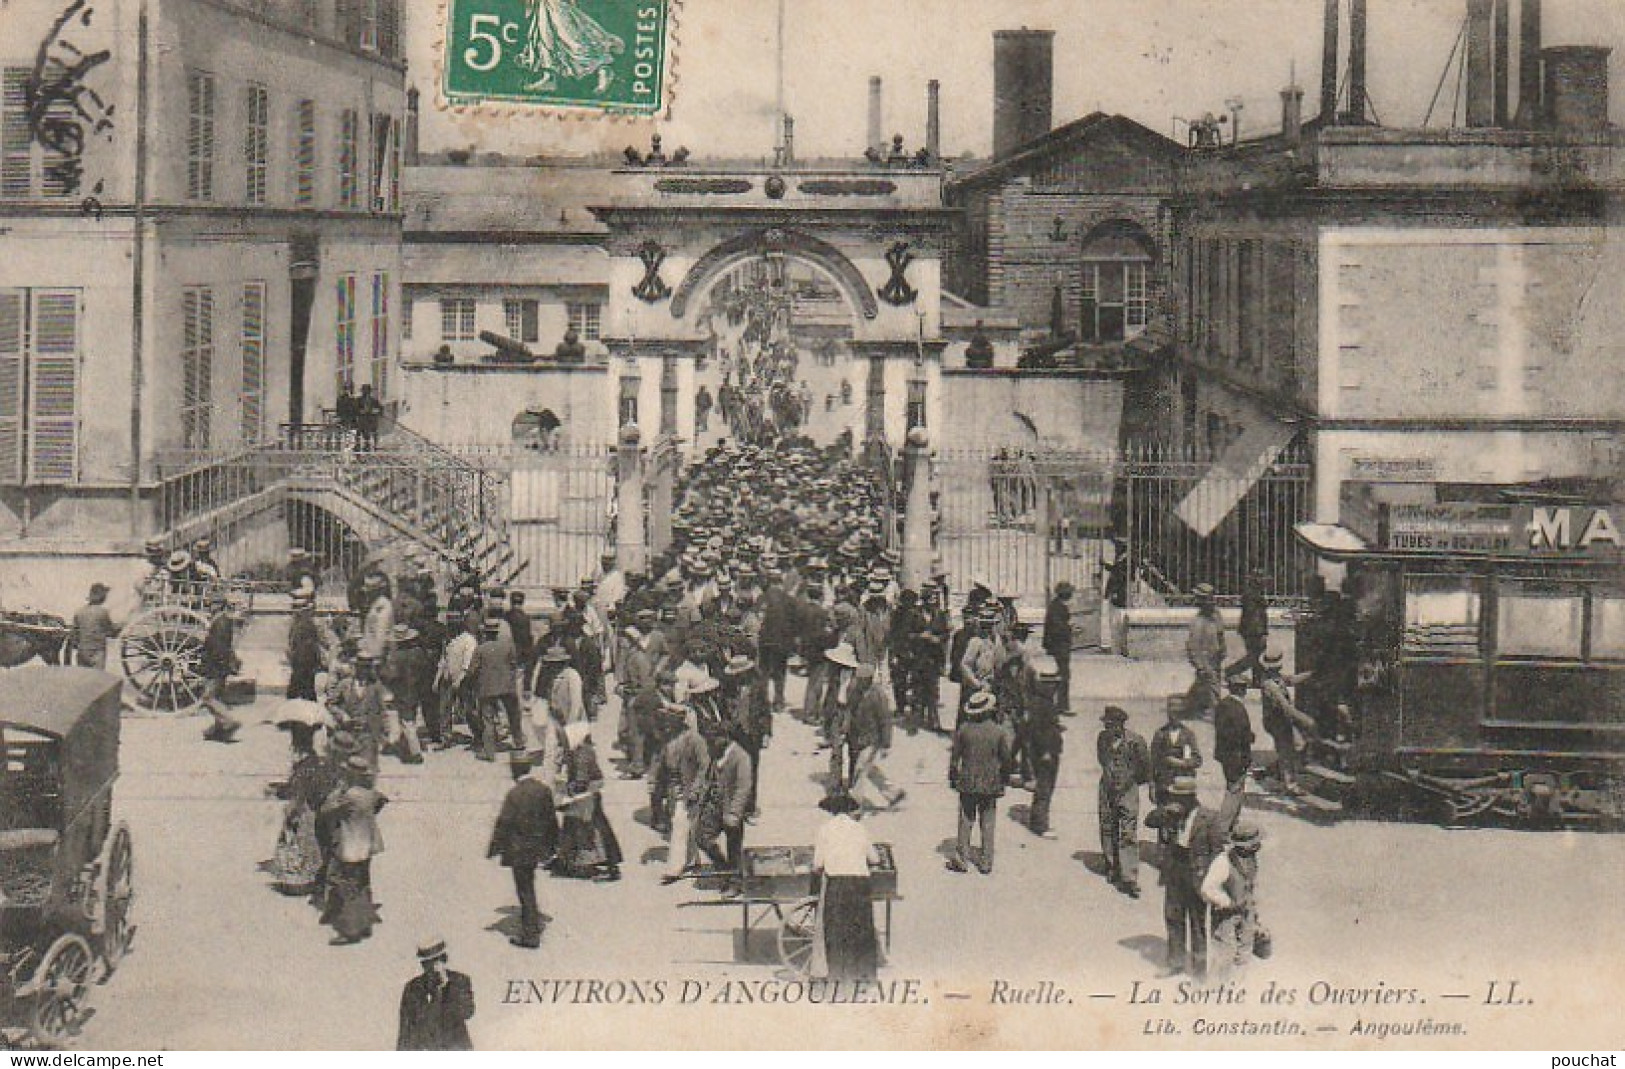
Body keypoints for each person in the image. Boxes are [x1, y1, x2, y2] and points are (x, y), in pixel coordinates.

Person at [487, 754, 559, 948]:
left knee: (525, 890)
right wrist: (553, 847)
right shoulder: (543, 790)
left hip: (519, 851)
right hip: (537, 849)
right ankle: (532, 922)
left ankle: (530, 934)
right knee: (529, 887)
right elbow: (551, 819)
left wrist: (494, 848)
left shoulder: (514, 794)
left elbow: (504, 822)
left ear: (514, 770)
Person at [811, 791, 880, 980]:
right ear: (850, 810)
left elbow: (818, 864)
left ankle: (838, 977)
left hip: (837, 885)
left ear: (831, 811)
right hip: (859, 884)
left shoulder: (824, 830)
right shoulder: (859, 829)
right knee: (861, 931)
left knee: (836, 932)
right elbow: (875, 858)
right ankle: (864, 977)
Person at [318, 755, 387, 946]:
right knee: (362, 883)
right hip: (367, 846)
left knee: (344, 885)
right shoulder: (370, 793)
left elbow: (325, 810)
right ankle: (364, 923)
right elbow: (382, 801)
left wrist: (337, 791)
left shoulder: (348, 796)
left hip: (350, 847)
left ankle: (350, 929)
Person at [946, 690, 1010, 875]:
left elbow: (954, 758)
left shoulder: (964, 730)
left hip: (967, 781)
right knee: (988, 821)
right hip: (990, 782)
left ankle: (962, 858)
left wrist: (952, 777)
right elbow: (1006, 759)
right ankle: (986, 861)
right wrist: (1004, 778)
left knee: (966, 820)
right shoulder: (998, 732)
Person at [554, 721, 623, 881]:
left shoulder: (582, 753)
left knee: (586, 828)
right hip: (590, 793)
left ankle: (586, 862)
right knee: (594, 825)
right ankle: (603, 862)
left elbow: (581, 780)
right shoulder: (580, 750)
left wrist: (566, 792)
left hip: (586, 795)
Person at [270, 722, 333, 898]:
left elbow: (297, 793)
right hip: (311, 809)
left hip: (302, 811)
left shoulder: (303, 768)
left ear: (298, 749)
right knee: (308, 846)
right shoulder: (314, 763)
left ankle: (299, 881)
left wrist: (286, 801)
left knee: (297, 846)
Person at [1097, 704, 1150, 897]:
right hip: (1106, 788)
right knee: (1107, 826)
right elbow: (1102, 760)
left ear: (1120, 725)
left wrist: (1130, 782)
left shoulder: (1136, 741)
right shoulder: (1102, 739)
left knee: (1128, 831)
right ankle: (1112, 865)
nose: (1107, 729)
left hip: (1128, 790)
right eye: (1106, 725)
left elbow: (1145, 767)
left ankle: (1129, 877)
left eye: (1111, 725)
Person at [1202, 821, 1263, 980]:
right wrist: (1226, 902)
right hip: (1226, 916)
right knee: (1224, 954)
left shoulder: (1251, 859)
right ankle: (1214, 991)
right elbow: (1208, 888)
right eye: (1253, 844)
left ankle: (1235, 989)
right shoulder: (1223, 862)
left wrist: (1254, 911)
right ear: (1241, 845)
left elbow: (1250, 885)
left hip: (1246, 912)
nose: (1257, 846)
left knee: (1244, 951)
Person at [700, 726, 752, 896]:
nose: (710, 745)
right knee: (702, 837)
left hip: (731, 811)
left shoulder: (741, 756)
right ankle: (723, 869)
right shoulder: (715, 751)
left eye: (713, 740)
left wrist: (735, 813)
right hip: (715, 807)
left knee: (734, 849)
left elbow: (743, 788)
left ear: (724, 737)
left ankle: (735, 883)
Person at [397, 937, 475, 1051]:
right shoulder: (412, 988)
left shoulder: (460, 981)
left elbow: (467, 1012)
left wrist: (448, 987)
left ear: (445, 959)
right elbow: (405, 1029)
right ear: (423, 965)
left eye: (438, 961)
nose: (434, 968)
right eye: (428, 964)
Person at [1259, 649, 1317, 795]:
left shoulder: (1276, 678)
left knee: (1298, 745)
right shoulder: (1270, 685)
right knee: (1287, 750)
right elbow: (1286, 707)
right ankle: (1289, 785)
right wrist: (1307, 720)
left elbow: (1291, 679)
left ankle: (1274, 771)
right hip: (1276, 722)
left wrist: (1311, 674)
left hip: (1282, 720)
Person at [466, 618, 522, 760]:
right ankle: (519, 743)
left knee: (488, 720)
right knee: (513, 716)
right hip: (507, 687)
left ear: (485, 632)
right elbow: (514, 664)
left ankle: (490, 753)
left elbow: (472, 671)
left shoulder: (480, 649)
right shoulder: (508, 646)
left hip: (487, 688)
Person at [1025, 656, 1065, 839]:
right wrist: (1047, 751)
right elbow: (1040, 730)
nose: (1055, 687)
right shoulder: (1045, 704)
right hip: (1046, 753)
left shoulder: (1037, 701)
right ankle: (1040, 824)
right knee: (1045, 787)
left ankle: (1037, 820)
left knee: (1044, 787)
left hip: (1040, 750)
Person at [199, 604, 244, 743]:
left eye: (212, 605)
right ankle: (218, 730)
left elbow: (218, 648)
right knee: (216, 697)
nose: (210, 608)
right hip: (219, 665)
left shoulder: (220, 623)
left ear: (218, 607)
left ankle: (229, 721)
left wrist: (214, 664)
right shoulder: (222, 621)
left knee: (208, 698)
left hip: (216, 667)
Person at [1150, 695, 1203, 808]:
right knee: (1164, 819)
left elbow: (1198, 760)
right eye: (1172, 711)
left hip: (1183, 786)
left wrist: (1181, 763)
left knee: (1181, 820)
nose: (1174, 715)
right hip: (1163, 786)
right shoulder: (1160, 734)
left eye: (1177, 712)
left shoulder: (1188, 734)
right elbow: (1152, 762)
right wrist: (1152, 786)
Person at [1185, 585, 1226, 717]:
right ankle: (1216, 711)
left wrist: (1223, 649)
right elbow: (1193, 646)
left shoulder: (1216, 615)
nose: (1211, 603)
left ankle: (1195, 706)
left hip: (1215, 656)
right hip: (1204, 659)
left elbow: (1220, 633)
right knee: (1210, 682)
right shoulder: (1198, 622)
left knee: (1207, 682)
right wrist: (1199, 664)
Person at [1214, 672, 1256, 790]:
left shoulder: (1223, 704)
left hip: (1227, 754)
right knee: (1235, 789)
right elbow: (1239, 732)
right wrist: (1250, 737)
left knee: (1232, 785)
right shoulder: (1236, 707)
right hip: (1235, 755)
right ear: (1241, 690)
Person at [286, 589, 324, 701]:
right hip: (300, 664)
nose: (294, 611)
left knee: (302, 694)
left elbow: (306, 650)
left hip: (303, 665)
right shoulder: (299, 622)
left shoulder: (305, 624)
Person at [69, 583, 119, 669]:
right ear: (102, 597)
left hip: (82, 652)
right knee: (97, 678)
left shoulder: (79, 612)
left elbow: (74, 634)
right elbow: (111, 631)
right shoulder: (102, 612)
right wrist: (120, 628)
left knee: (83, 678)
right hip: (97, 652)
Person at [1042, 581, 1074, 711]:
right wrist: (1069, 629)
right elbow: (1057, 628)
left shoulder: (1057, 605)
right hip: (1059, 645)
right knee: (1064, 675)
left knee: (1062, 674)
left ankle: (1058, 704)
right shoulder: (1056, 607)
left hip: (1060, 645)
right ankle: (1061, 705)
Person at [355, 383, 384, 451]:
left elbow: (380, 409)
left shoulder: (374, 400)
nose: (366, 393)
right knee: (359, 433)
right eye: (364, 391)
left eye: (367, 391)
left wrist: (376, 411)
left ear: (369, 392)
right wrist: (360, 411)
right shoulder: (358, 400)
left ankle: (374, 445)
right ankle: (358, 446)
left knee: (373, 432)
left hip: (371, 420)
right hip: (362, 420)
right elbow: (355, 409)